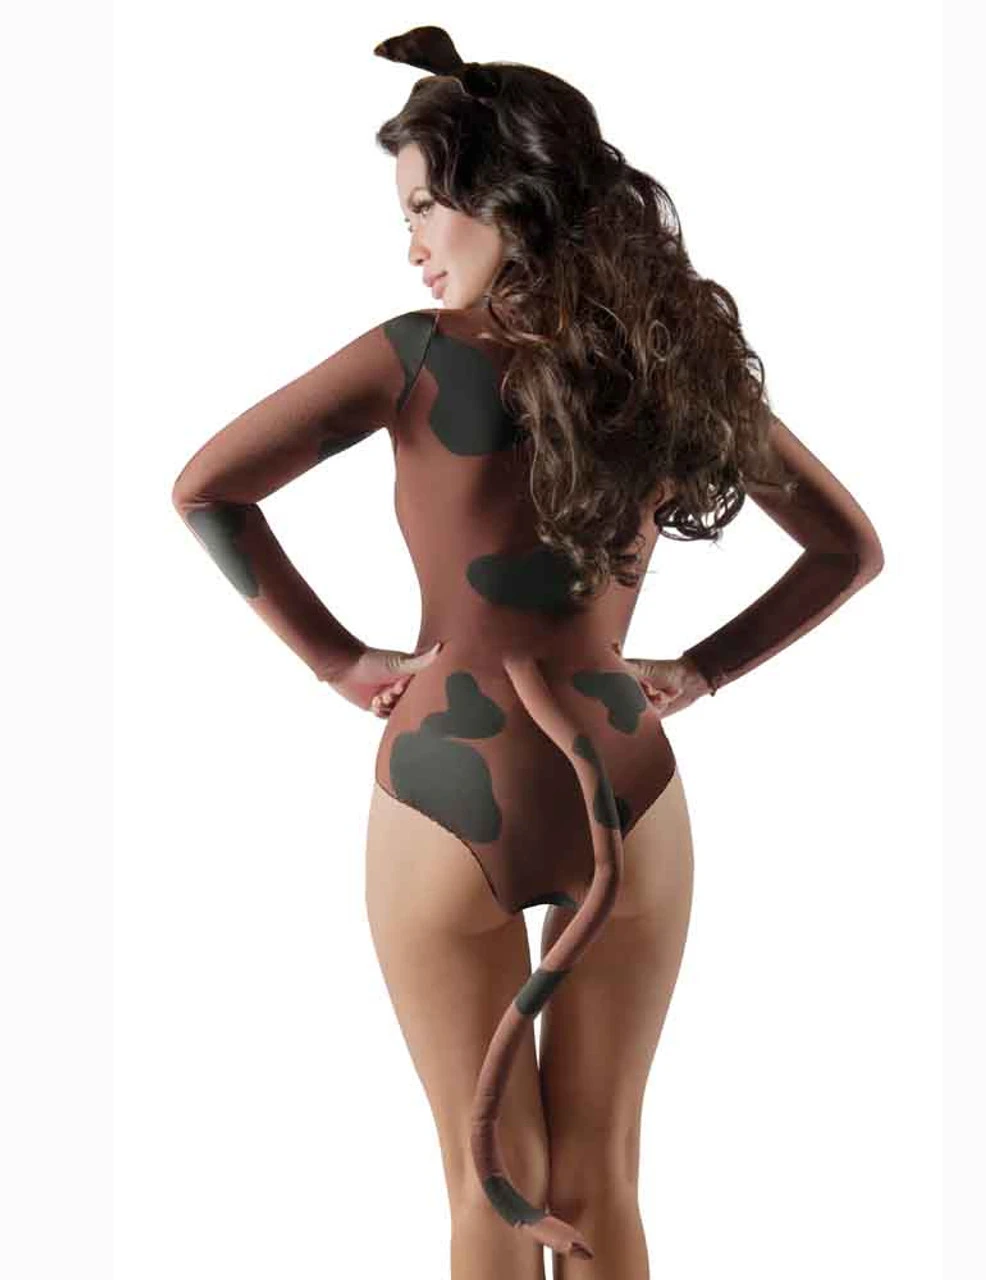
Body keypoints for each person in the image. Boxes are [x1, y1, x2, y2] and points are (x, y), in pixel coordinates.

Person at [171, 24, 885, 1278]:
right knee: (602, 1170)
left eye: (423, 207)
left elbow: (207, 488)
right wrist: (700, 671)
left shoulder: (414, 355)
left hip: (447, 784)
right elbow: (847, 548)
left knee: (491, 1178)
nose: (410, 242)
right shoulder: (673, 363)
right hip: (627, 774)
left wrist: (336, 661)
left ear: (504, 198)